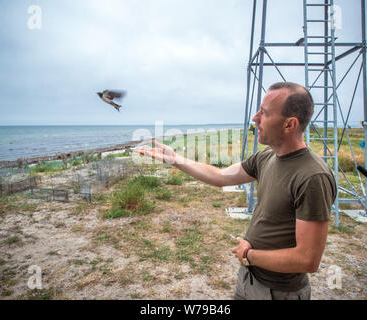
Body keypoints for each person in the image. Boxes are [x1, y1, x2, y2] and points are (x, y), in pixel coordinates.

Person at [136, 82, 336, 300]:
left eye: (265, 113)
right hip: (249, 277)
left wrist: (249, 255)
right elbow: (221, 176)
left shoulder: (312, 177)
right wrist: (175, 160)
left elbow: (307, 259)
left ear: (290, 124)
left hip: (279, 292)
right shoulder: (266, 157)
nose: (255, 118)